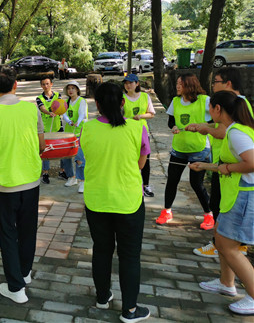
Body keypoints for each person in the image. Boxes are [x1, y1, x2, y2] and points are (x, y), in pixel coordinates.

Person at [80, 82, 151, 323]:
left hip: (97, 201)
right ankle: (130, 310)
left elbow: (90, 156)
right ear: (123, 103)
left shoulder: (87, 129)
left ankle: (102, 297)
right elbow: (141, 164)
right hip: (129, 201)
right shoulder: (137, 127)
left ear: (96, 105)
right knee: (130, 256)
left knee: (101, 250)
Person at [0, 65, 44, 304]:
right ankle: (24, 273)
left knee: (8, 234)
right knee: (28, 230)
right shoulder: (31, 108)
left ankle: (15, 287)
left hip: (5, 184)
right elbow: (41, 146)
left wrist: (4, 150)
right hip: (31, 180)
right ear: (16, 84)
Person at [189, 91, 254, 316]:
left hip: (242, 197)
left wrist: (226, 169)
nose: (209, 112)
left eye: (211, 108)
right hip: (232, 196)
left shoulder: (236, 133)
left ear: (218, 109)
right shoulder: (234, 131)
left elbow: (251, 162)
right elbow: (228, 163)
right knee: (220, 238)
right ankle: (227, 283)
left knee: (229, 247)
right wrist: (203, 167)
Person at [187, 68, 253, 258]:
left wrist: (206, 130)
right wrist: (204, 126)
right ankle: (225, 261)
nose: (213, 85)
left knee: (220, 212)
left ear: (228, 83)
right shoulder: (234, 107)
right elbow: (222, 127)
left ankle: (222, 247)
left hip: (235, 179)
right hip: (224, 168)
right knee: (219, 210)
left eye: (215, 81)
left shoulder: (237, 116)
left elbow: (227, 132)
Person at [156, 73, 214, 229]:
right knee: (172, 181)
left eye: (181, 84)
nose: (177, 86)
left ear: (190, 85)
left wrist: (202, 126)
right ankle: (167, 211)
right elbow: (171, 122)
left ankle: (209, 215)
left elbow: (216, 121)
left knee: (196, 183)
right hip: (179, 148)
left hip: (199, 149)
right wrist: (174, 127)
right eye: (177, 83)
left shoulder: (205, 101)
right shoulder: (175, 101)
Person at [122, 74, 155, 197]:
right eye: (125, 83)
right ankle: (129, 184)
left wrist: (140, 116)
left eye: (130, 83)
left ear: (137, 84)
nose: (128, 85)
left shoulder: (145, 97)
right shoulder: (122, 98)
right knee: (128, 159)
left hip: (142, 132)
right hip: (127, 132)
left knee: (145, 160)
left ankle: (146, 185)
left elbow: (151, 114)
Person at [36, 76, 66, 184]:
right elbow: (42, 108)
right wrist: (49, 112)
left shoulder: (58, 95)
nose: (46, 86)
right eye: (43, 84)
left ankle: (62, 171)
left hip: (58, 126)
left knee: (62, 149)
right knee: (45, 151)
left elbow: (62, 107)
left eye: (47, 83)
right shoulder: (39, 98)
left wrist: (60, 111)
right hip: (45, 127)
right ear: (41, 86)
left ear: (51, 84)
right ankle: (45, 173)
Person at [60, 80, 88, 192]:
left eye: (73, 88)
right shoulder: (66, 102)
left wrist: (77, 122)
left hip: (79, 133)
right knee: (66, 156)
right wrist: (69, 121)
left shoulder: (81, 101)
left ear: (77, 90)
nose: (70, 90)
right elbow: (64, 114)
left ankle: (82, 180)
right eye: (69, 88)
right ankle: (71, 177)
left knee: (79, 157)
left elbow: (82, 114)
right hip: (68, 133)